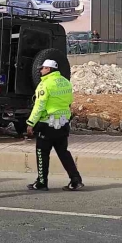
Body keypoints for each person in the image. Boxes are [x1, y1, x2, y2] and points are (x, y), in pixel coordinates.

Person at [25, 59, 84, 191]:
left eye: (43, 68)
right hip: (63, 124)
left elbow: (39, 106)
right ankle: (75, 179)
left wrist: (30, 123)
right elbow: (69, 101)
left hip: (47, 124)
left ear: (49, 69)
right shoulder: (66, 82)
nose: (40, 70)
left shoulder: (44, 84)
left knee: (42, 152)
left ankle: (41, 182)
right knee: (63, 152)